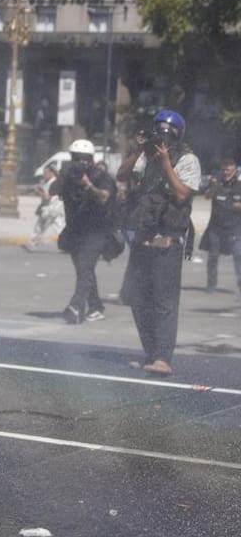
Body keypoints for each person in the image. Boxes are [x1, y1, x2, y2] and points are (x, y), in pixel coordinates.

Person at [116, 110, 201, 377]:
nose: (161, 136)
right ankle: (150, 353)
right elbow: (121, 175)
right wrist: (138, 148)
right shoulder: (145, 157)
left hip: (167, 243)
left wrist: (165, 163)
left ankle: (163, 357)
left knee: (164, 303)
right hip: (142, 240)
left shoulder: (188, 160)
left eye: (166, 131)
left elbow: (181, 193)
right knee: (138, 300)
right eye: (158, 130)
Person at [53, 139, 118, 324]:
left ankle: (76, 307)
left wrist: (87, 184)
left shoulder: (100, 175)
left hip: (96, 231)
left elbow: (104, 197)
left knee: (84, 268)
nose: (80, 162)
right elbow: (52, 191)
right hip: (75, 230)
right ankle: (96, 307)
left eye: (83, 159)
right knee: (85, 270)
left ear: (90, 159)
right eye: (76, 158)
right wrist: (63, 177)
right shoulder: (68, 176)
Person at [200, 157, 241, 294]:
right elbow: (207, 197)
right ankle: (211, 285)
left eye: (229, 169)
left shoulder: (239, 184)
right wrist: (214, 187)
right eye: (224, 169)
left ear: (234, 169)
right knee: (213, 256)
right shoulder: (217, 182)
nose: (226, 172)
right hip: (216, 226)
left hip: (235, 227)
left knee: (238, 255)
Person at [27, 164, 64, 249]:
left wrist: (39, 190)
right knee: (60, 228)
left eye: (46, 172)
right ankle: (70, 244)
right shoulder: (48, 182)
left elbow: (47, 197)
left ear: (52, 173)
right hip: (54, 210)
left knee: (40, 227)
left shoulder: (54, 183)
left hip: (50, 210)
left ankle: (33, 242)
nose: (44, 174)